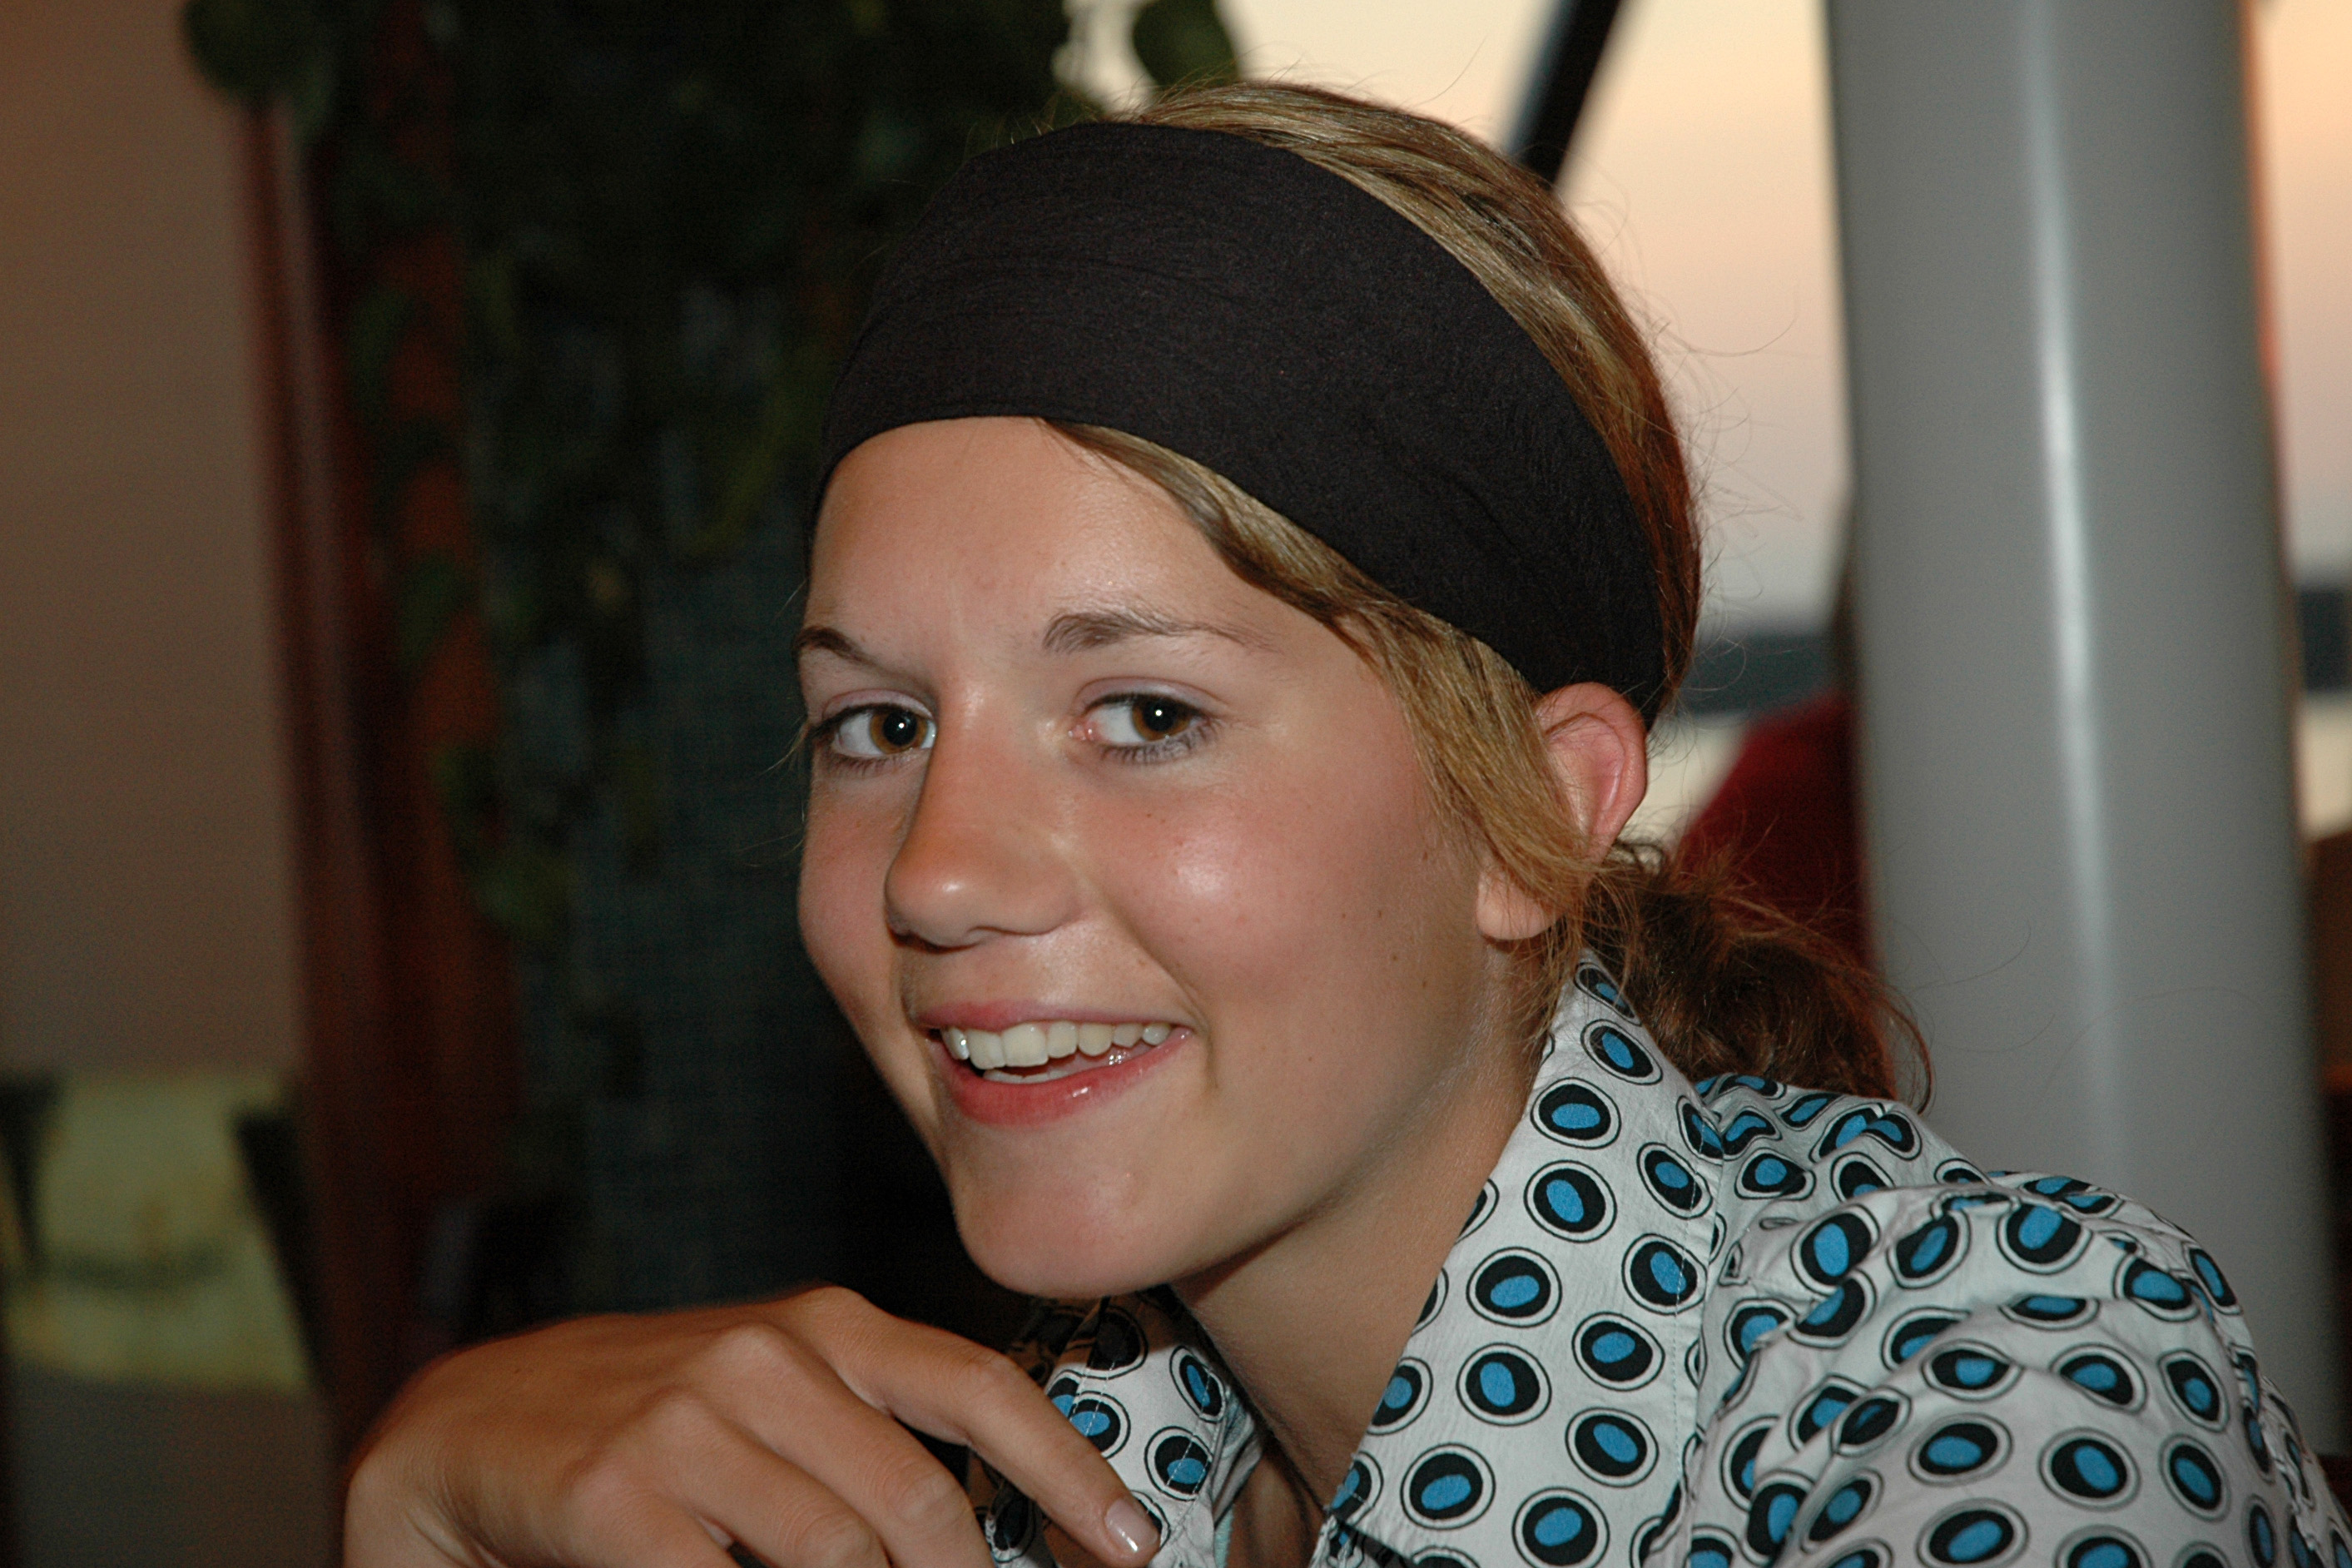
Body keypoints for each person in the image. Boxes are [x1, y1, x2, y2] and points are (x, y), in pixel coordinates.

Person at [347, 83, 2345, 1568]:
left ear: (1533, 815)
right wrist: (419, 1510)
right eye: (878, 724)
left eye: (1144, 715)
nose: (936, 872)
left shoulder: (2010, 1415)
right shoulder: (1037, 1484)